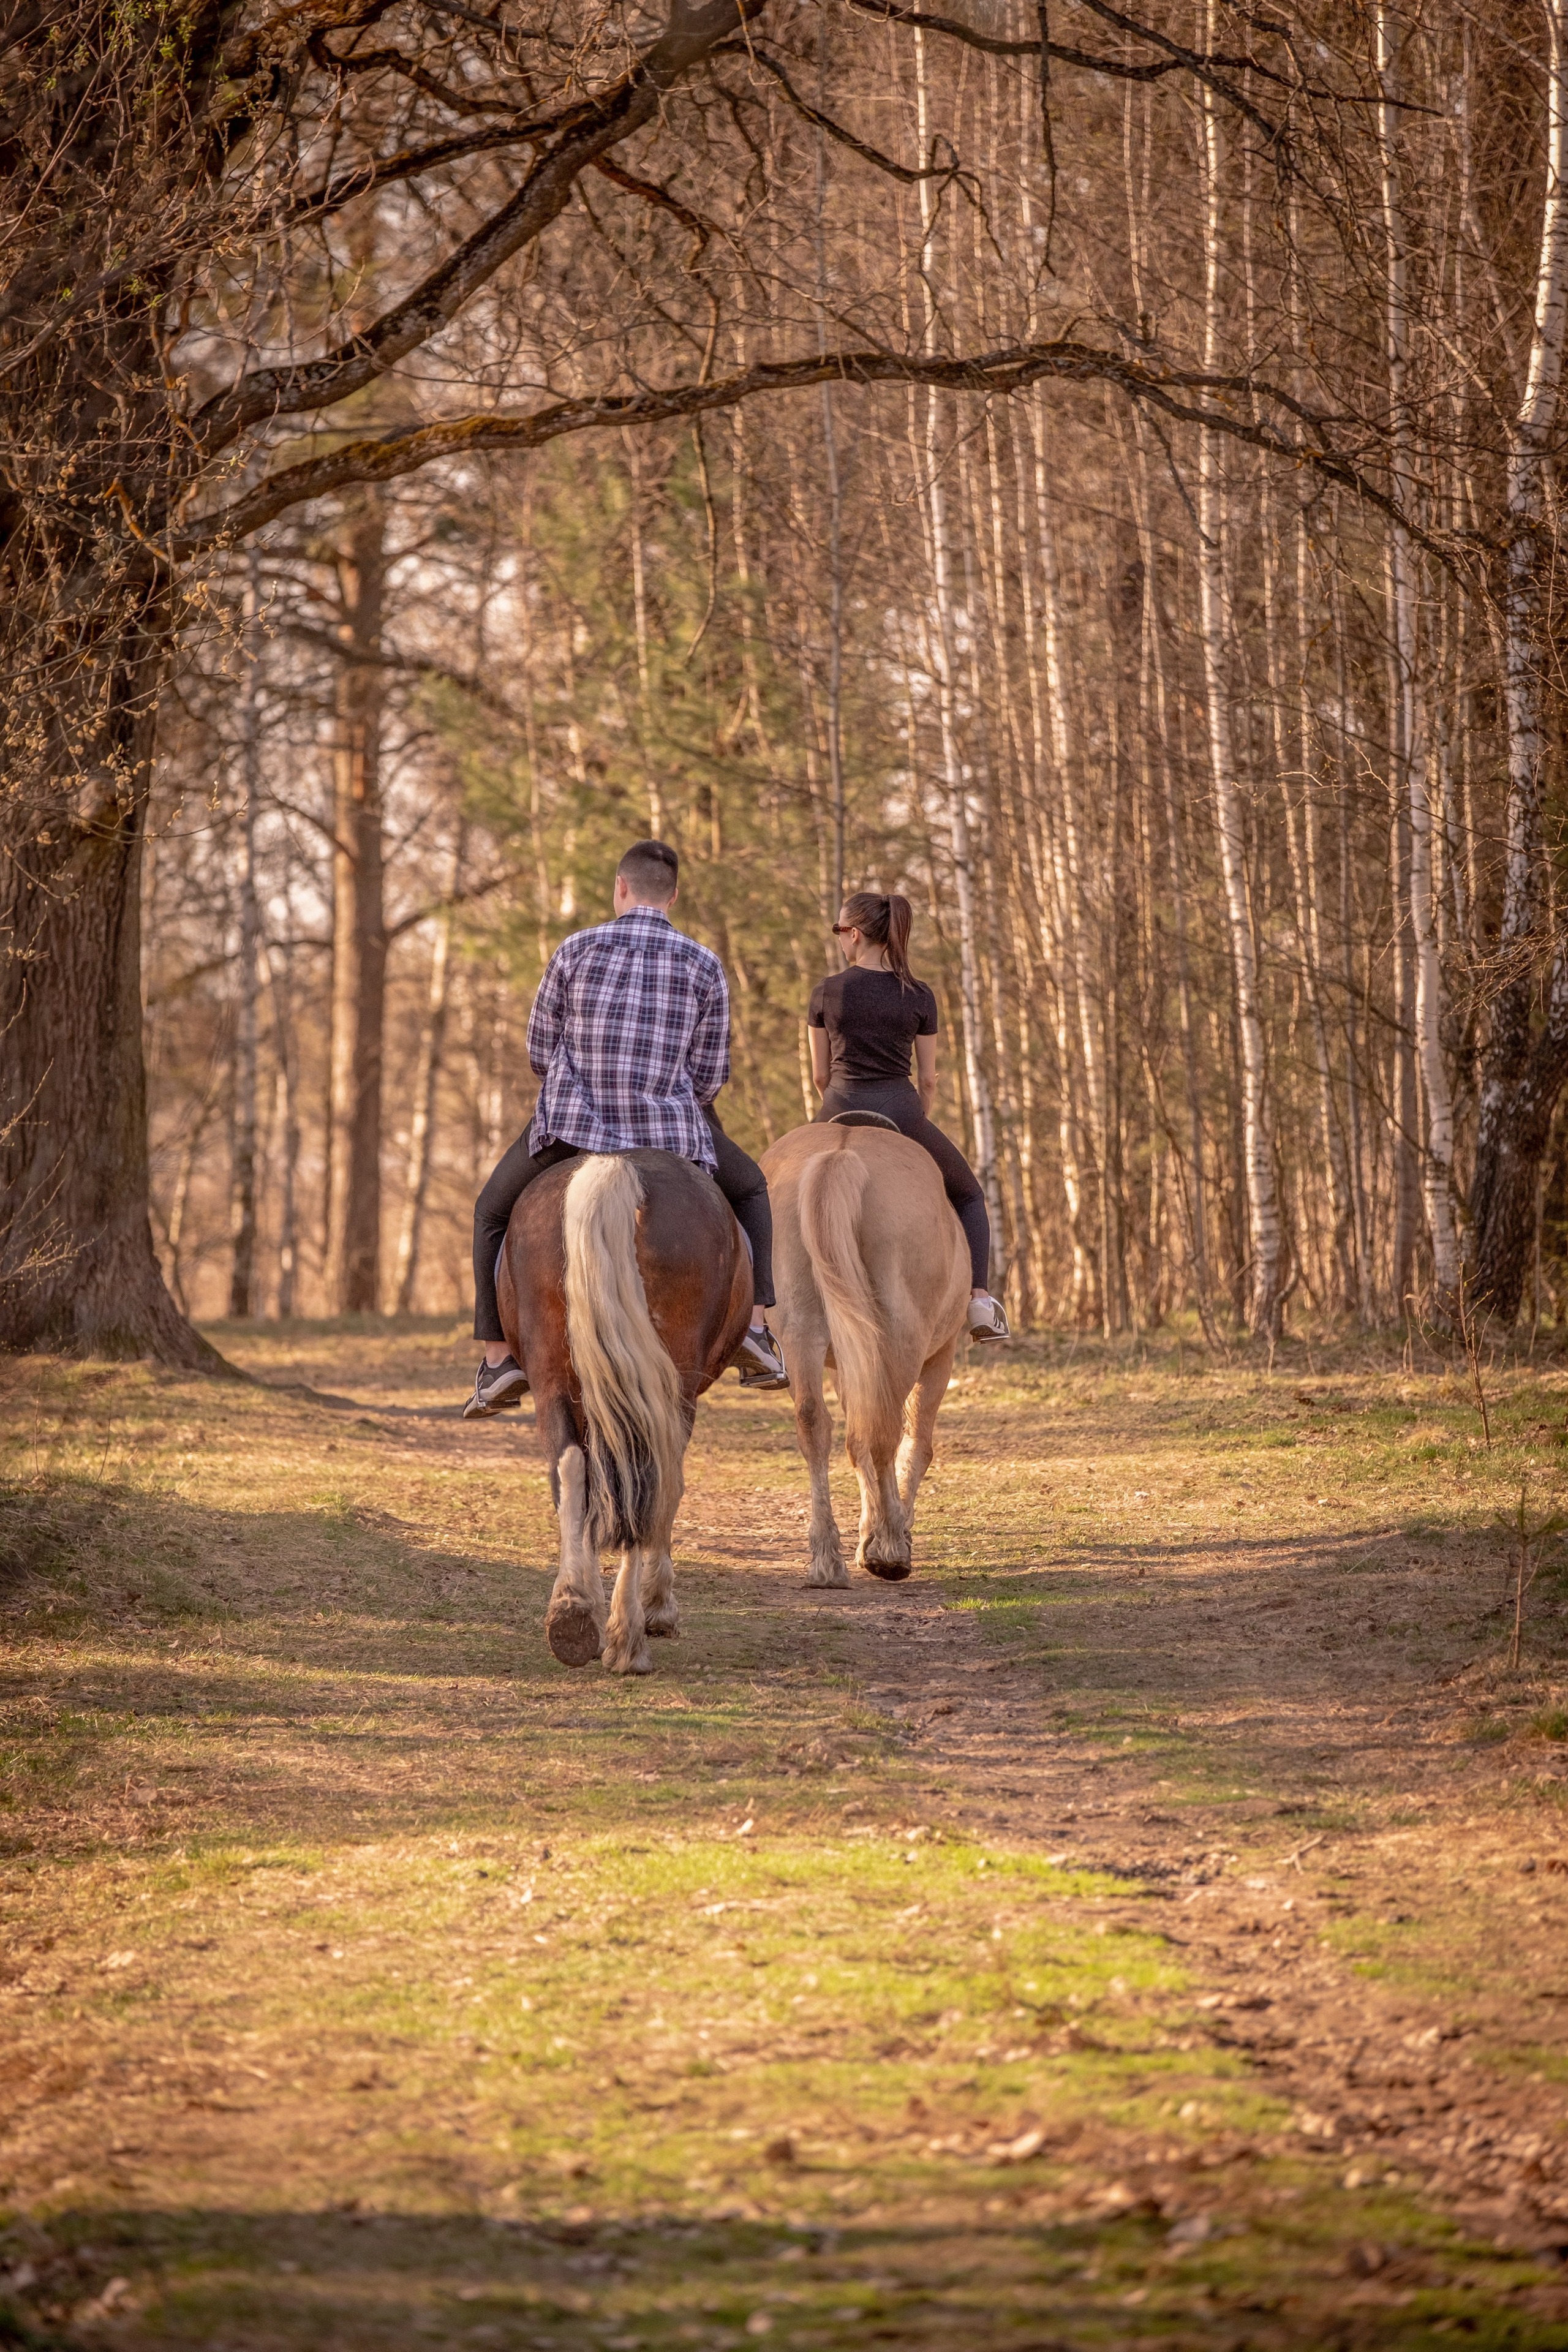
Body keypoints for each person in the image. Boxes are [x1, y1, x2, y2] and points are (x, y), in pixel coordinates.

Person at [464, 839, 788, 1417]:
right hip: (670, 1136)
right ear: (674, 896)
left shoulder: (574, 949)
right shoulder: (705, 964)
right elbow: (711, 1076)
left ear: (620, 888)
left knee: (491, 1210)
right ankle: (758, 1331)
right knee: (753, 1189)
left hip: (572, 1128)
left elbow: (540, 1052)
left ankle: (496, 1361)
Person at [809, 889, 1010, 1343]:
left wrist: (831, 1107)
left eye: (839, 930)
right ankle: (979, 1300)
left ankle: (765, 1315)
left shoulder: (826, 991)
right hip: (900, 1109)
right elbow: (930, 1079)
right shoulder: (918, 994)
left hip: (838, 1106)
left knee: (772, 1189)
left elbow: (820, 1074)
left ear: (855, 935)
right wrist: (918, 1118)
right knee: (971, 1196)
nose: (840, 938)